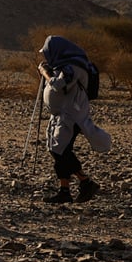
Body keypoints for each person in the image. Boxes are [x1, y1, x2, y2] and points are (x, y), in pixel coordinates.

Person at [38, 35, 107, 204]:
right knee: (58, 150)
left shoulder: (72, 68)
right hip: (63, 116)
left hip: (71, 117)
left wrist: (44, 72)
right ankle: (70, 188)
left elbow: (58, 85)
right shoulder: (65, 66)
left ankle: (82, 184)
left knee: (59, 151)